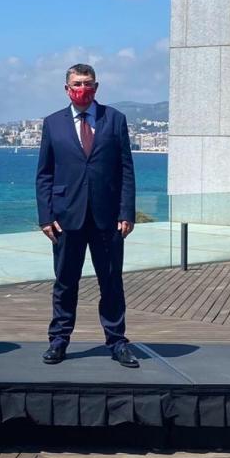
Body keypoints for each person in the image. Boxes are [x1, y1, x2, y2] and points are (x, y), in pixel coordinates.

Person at [35, 63, 138, 368]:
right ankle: (58, 341)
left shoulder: (115, 119)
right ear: (67, 88)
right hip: (66, 218)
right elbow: (44, 174)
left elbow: (126, 170)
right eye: (77, 84)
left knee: (111, 282)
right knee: (65, 282)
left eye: (88, 83)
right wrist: (45, 216)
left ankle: (117, 342)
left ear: (97, 86)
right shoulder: (52, 123)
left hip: (108, 218)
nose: (83, 88)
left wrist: (127, 212)